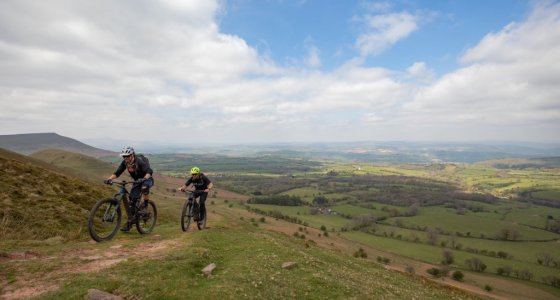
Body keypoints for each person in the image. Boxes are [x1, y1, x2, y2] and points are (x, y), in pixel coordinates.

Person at [105, 146, 154, 232]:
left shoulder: (139, 161)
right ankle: (130, 222)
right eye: (124, 156)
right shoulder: (125, 163)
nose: (126, 158)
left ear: (132, 155)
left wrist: (144, 179)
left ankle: (145, 206)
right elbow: (117, 172)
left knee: (144, 188)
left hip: (147, 179)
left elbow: (150, 171)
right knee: (132, 201)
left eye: (127, 156)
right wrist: (109, 179)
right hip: (137, 181)